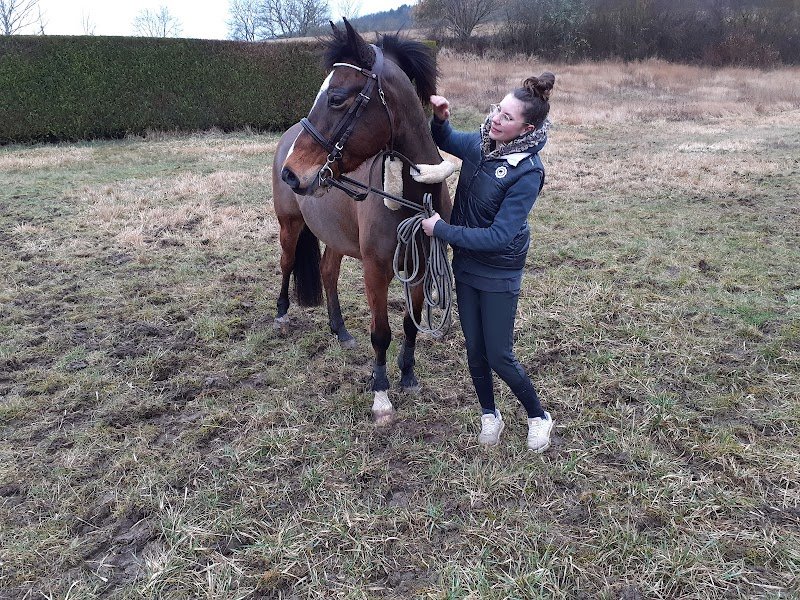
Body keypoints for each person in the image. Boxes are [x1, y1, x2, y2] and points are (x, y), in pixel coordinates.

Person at [421, 73, 556, 452]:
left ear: (526, 128)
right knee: (474, 348)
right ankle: (489, 414)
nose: (497, 118)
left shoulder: (528, 171)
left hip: (498, 269)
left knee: (498, 353)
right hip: (466, 265)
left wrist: (441, 230)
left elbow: (499, 235)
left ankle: (538, 416)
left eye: (507, 117)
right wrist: (442, 119)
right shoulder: (483, 145)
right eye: (498, 109)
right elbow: (445, 140)